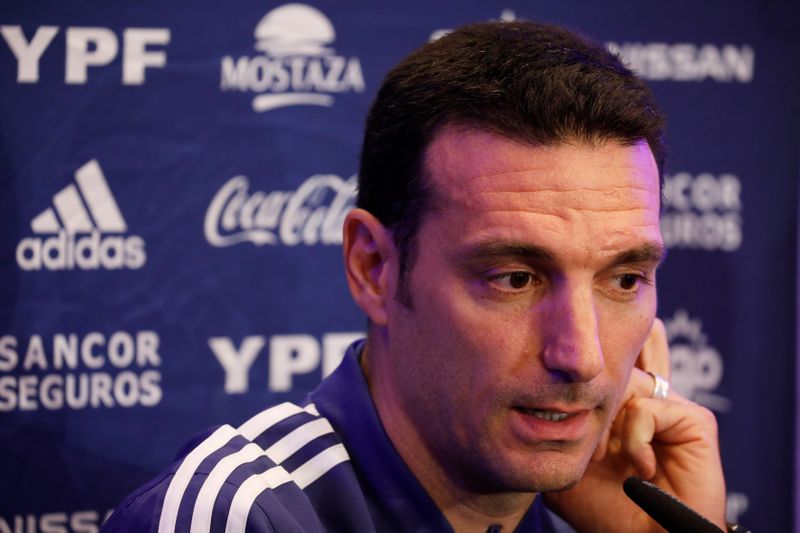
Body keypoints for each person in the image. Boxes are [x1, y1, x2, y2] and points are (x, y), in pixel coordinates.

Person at [103, 20, 727, 532]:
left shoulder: (588, 513)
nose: (583, 357)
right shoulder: (240, 519)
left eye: (624, 280)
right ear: (373, 267)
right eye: (515, 279)